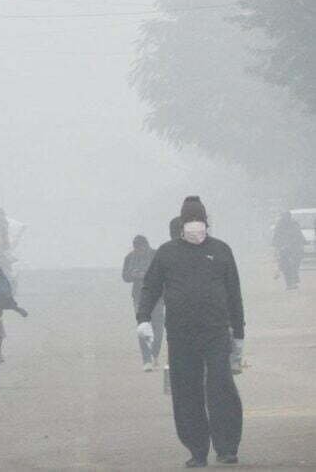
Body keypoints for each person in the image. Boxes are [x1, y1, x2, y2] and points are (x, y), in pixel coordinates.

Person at [137, 196, 244, 468]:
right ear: (181, 225)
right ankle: (197, 450)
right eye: (190, 222)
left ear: (207, 224)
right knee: (186, 393)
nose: (195, 227)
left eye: (200, 221)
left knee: (221, 387)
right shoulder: (167, 253)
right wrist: (143, 319)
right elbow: (150, 287)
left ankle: (227, 447)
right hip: (180, 334)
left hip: (216, 332)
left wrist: (239, 333)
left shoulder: (221, 250)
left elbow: (234, 293)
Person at [122, 235, 164, 371]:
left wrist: (147, 275)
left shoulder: (157, 255)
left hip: (157, 296)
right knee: (142, 327)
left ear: (146, 246)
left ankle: (155, 353)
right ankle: (146, 360)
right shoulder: (129, 258)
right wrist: (134, 275)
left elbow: (164, 273)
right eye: (136, 248)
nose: (138, 251)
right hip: (139, 297)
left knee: (158, 328)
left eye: (140, 248)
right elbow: (125, 277)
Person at [272, 211, 305, 290]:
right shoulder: (279, 225)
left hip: (294, 248)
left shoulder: (294, 223)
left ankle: (293, 279)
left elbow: (299, 234)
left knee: (295, 264)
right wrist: (278, 245)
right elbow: (276, 237)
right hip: (284, 249)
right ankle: (290, 283)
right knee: (286, 266)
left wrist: (302, 241)